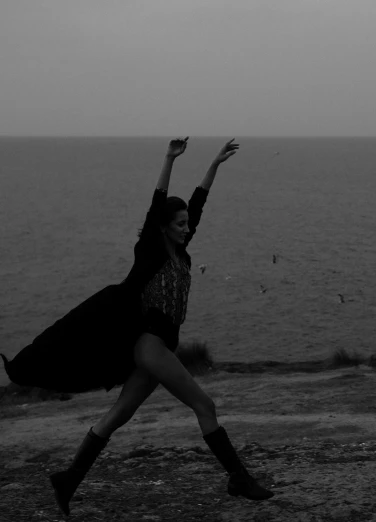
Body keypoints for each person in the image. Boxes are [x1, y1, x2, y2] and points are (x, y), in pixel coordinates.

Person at [1, 138, 273, 516]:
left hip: (158, 349)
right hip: (150, 346)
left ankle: (68, 480)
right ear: (163, 227)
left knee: (118, 415)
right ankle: (239, 478)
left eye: (187, 224)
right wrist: (169, 159)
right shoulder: (152, 248)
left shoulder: (181, 247)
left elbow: (198, 203)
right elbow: (157, 202)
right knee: (204, 404)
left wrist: (214, 165)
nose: (186, 227)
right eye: (179, 224)